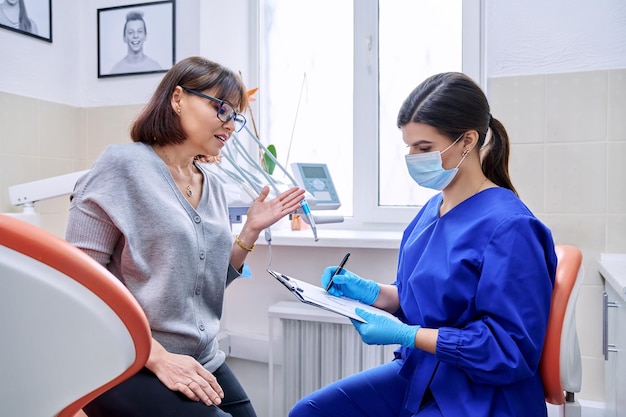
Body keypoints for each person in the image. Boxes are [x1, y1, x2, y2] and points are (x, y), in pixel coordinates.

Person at [290, 72, 557, 417]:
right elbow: (429, 298)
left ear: (467, 141)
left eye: (424, 148)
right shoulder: (433, 211)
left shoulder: (511, 227)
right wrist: (369, 292)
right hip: (426, 373)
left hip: (481, 394)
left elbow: (508, 349)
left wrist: (408, 334)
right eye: (410, 147)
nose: (413, 157)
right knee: (308, 412)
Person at [66, 56, 305, 417]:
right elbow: (79, 289)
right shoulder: (122, 167)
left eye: (236, 115)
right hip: (127, 358)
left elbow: (206, 282)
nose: (230, 124)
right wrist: (157, 357)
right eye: (221, 108)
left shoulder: (214, 185)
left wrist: (251, 230)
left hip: (202, 357)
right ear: (178, 98)